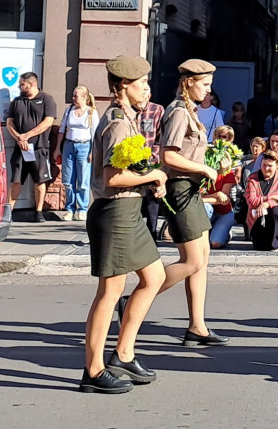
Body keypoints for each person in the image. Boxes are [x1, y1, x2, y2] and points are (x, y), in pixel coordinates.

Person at [81, 55, 166, 394]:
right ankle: (93, 370)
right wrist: (156, 174)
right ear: (122, 87)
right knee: (110, 291)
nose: (146, 88)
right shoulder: (117, 121)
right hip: (114, 212)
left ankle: (124, 353)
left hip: (129, 211)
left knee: (155, 277)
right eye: (141, 83)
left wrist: (147, 179)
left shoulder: (128, 118)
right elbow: (113, 178)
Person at [155, 59, 229, 348]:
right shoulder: (177, 112)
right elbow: (168, 156)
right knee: (192, 261)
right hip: (179, 189)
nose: (208, 91)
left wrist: (212, 158)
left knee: (203, 259)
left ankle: (197, 327)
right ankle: (137, 297)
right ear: (189, 82)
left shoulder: (190, 111)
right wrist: (203, 169)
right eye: (205, 84)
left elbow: (189, 150)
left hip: (192, 189)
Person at [5, 72, 57, 221]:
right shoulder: (17, 101)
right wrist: (18, 137)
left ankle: (38, 212)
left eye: (23, 84)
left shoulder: (47, 99)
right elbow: (9, 122)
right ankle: (9, 212)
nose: (20, 87)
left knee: (39, 180)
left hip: (39, 147)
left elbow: (48, 122)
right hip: (20, 147)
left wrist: (27, 135)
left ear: (32, 84)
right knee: (15, 180)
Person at [52, 86, 99, 222]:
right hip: (69, 145)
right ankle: (69, 208)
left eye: (76, 96)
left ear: (84, 97)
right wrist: (57, 148)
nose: (73, 98)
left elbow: (95, 133)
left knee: (83, 179)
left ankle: (82, 208)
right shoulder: (69, 110)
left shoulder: (91, 112)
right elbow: (62, 129)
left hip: (84, 146)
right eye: (73, 95)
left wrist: (92, 151)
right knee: (68, 179)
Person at [203, 126, 240, 249]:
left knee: (215, 243)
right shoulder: (203, 168)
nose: (221, 140)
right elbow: (196, 197)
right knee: (205, 207)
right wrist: (214, 195)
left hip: (223, 211)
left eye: (225, 137)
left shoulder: (229, 172)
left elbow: (223, 198)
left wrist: (208, 197)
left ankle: (223, 233)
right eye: (219, 136)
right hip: (206, 209)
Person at [245, 151, 278, 250]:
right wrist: (273, 197)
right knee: (259, 246)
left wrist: (266, 204)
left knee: (276, 211)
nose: (266, 169)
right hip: (257, 214)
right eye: (264, 165)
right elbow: (251, 201)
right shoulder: (252, 178)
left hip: (276, 215)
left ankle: (275, 240)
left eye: (270, 166)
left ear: (277, 165)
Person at [136, 96, 166, 239]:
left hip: (151, 160)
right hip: (132, 161)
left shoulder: (156, 109)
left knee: (152, 198)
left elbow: (160, 137)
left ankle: (152, 233)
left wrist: (155, 157)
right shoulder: (128, 110)